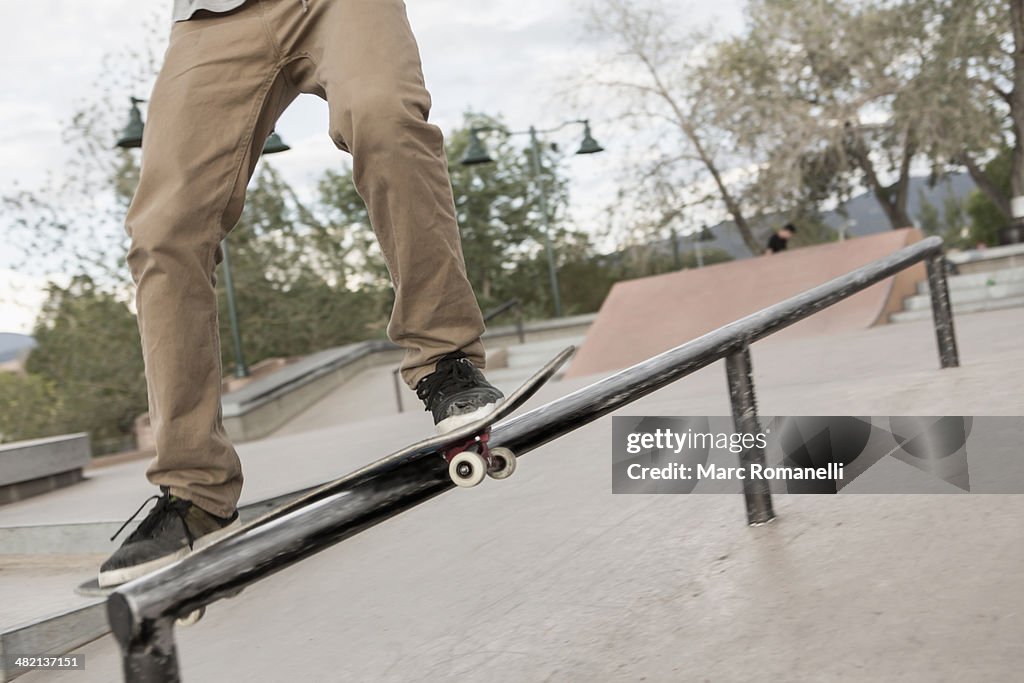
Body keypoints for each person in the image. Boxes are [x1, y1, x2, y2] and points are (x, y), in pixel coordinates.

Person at [98, 0, 504, 587]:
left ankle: (446, 360)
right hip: (213, 19)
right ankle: (194, 490)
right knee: (163, 231)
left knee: (385, 118)